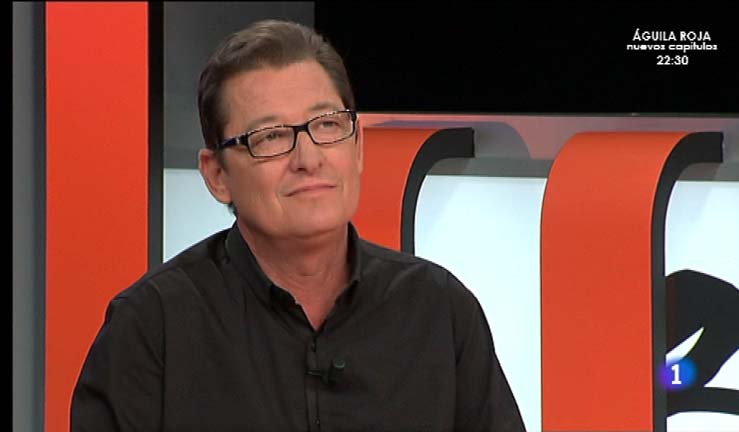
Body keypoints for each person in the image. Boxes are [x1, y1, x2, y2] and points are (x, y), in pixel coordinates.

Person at [70, 19, 526, 431]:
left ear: (358, 147)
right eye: (270, 136)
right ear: (217, 175)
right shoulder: (152, 328)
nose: (308, 159)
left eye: (327, 125)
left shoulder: (440, 311)